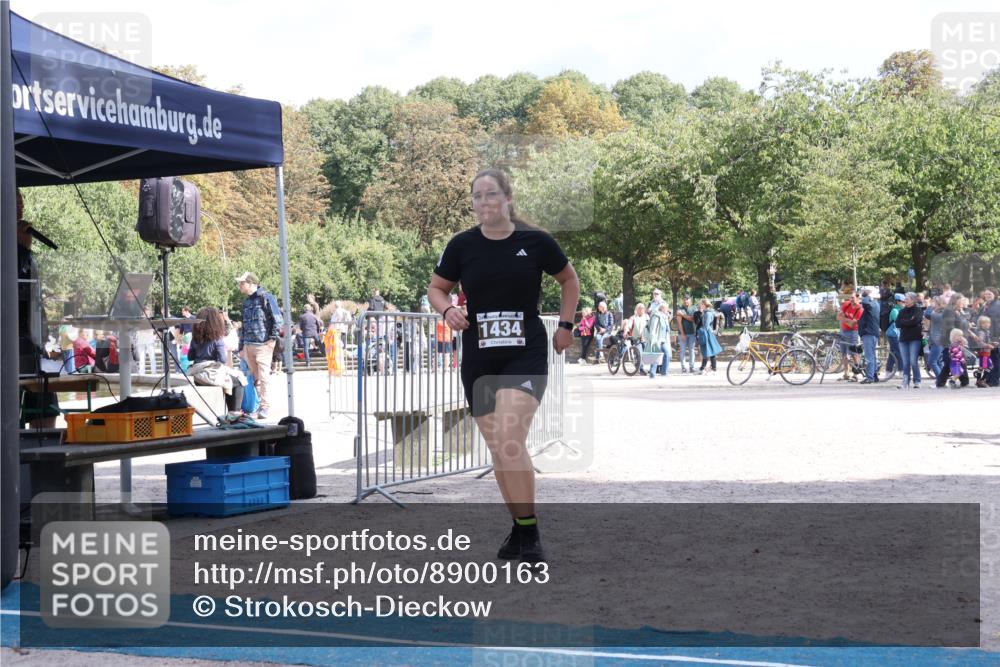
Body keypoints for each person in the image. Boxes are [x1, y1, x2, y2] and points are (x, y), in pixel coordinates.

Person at [428, 168, 579, 564]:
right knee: (499, 450)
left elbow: (569, 280)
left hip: (524, 352)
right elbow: (436, 287)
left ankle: (529, 535)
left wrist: (566, 325)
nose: (483, 203)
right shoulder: (462, 245)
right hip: (479, 357)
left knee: (511, 438)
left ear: (508, 199)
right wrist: (448, 310)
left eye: (491, 195)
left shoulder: (536, 241)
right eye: (477, 197)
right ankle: (521, 529)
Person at [236, 271, 283, 420]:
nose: (240, 285)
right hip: (249, 345)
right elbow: (244, 326)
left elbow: (278, 319)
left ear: (251, 283)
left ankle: (265, 407)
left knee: (263, 377)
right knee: (254, 378)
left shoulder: (267, 297)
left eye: (242, 283)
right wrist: (241, 347)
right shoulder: (247, 302)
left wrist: (272, 340)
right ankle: (256, 406)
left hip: (263, 345)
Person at [189, 307, 248, 422]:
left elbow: (190, 357)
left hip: (197, 375)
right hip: (212, 374)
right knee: (239, 379)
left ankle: (233, 414)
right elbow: (222, 359)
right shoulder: (217, 339)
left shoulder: (195, 339)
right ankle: (234, 413)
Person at [895, 292, 924, 389]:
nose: (905, 300)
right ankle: (905, 382)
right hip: (903, 338)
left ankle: (917, 380)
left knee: (913, 361)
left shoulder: (918, 310)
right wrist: (908, 321)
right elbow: (897, 323)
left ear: (913, 300)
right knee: (905, 362)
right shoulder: (902, 311)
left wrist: (906, 322)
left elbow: (916, 321)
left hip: (915, 338)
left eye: (907, 298)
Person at [836, 292, 863, 381]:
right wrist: (847, 320)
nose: (851, 300)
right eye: (851, 298)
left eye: (853, 298)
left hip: (853, 332)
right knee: (844, 353)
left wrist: (843, 318)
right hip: (843, 331)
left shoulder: (860, 309)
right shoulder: (846, 304)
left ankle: (856, 373)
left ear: (858, 298)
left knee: (854, 353)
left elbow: (852, 324)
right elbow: (838, 317)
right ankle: (846, 373)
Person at [858, 290, 881, 384]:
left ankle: (870, 377)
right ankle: (874, 375)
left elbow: (865, 303)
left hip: (869, 333)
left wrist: (865, 296)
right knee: (872, 356)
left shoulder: (871, 305)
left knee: (869, 356)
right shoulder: (875, 305)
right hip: (872, 333)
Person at [696, 299, 722, 374]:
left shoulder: (708, 313)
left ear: (704, 304)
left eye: (701, 304)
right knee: (709, 351)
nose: (700, 305)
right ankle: (710, 368)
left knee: (708, 351)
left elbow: (706, 326)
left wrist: (700, 331)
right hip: (708, 333)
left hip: (707, 334)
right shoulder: (707, 312)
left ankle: (706, 369)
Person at [646, 302, 672, 378]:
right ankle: (652, 373)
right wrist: (652, 338)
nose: (668, 310)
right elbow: (653, 328)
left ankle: (664, 372)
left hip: (663, 339)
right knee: (656, 355)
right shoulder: (656, 316)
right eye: (667, 308)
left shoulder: (664, 316)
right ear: (663, 308)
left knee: (666, 353)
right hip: (656, 339)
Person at [675, 296, 698, 373]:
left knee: (691, 350)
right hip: (682, 333)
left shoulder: (694, 308)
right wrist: (683, 334)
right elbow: (679, 322)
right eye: (684, 300)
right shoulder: (680, 309)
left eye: (687, 300)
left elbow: (693, 319)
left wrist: (683, 315)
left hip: (692, 333)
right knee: (683, 351)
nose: (686, 301)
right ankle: (683, 367)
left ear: (690, 300)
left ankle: (692, 366)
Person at [297, 303, 323, 368]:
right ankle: (324, 354)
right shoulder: (314, 316)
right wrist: (317, 332)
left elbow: (301, 327)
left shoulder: (302, 317)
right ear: (310, 309)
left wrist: (304, 330)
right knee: (320, 343)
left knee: (306, 348)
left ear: (304, 309)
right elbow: (318, 325)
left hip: (306, 333)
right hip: (314, 332)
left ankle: (308, 363)